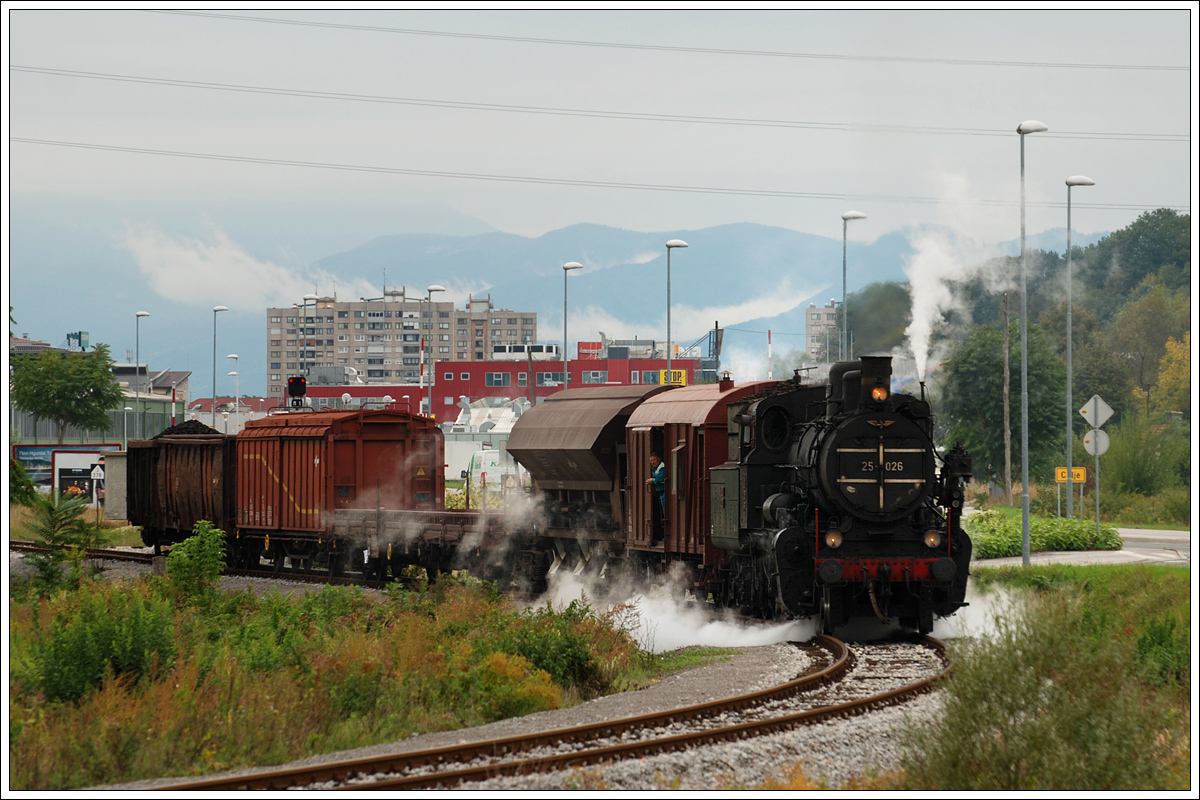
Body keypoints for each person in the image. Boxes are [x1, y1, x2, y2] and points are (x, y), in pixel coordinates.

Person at [647, 452, 665, 543]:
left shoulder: (662, 466)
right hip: (661, 493)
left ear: (658, 459)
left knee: (666, 513)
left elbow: (662, 478)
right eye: (651, 461)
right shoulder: (655, 468)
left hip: (665, 492)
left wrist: (653, 480)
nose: (652, 462)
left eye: (654, 460)